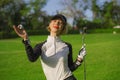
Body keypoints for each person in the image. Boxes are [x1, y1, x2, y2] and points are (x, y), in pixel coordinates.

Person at [13, 14, 86, 80]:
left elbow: (70, 68)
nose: (57, 23)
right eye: (54, 21)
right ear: (49, 24)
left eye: (60, 23)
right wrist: (25, 39)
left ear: (63, 28)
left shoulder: (67, 46)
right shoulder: (41, 46)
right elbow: (32, 58)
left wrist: (79, 59)